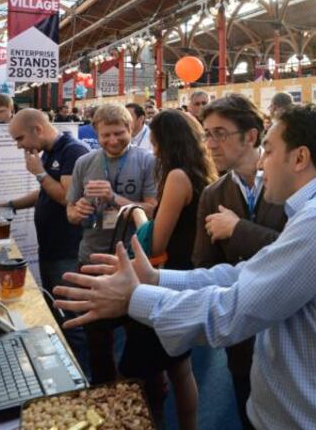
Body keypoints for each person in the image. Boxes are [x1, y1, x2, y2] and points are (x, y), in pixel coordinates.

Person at [55, 104, 316, 429]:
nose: (262, 161)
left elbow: (234, 310)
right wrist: (156, 278)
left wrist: (134, 298)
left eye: (270, 149)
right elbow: (243, 274)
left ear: (300, 158)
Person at [118, 109, 216, 428]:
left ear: (165, 141)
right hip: (186, 275)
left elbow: (158, 242)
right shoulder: (203, 172)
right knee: (179, 366)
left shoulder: (176, 177)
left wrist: (136, 216)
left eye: (155, 142)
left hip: (164, 279)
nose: (153, 149)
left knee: (143, 369)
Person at [192, 95, 286, 428]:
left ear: (251, 136)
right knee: (248, 411)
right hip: (242, 335)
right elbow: (204, 266)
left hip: (291, 331)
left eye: (220, 133)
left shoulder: (291, 183)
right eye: (206, 134)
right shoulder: (212, 194)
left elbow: (301, 254)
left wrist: (238, 230)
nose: (210, 144)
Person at [0, 109, 90, 362]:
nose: (19, 146)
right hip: (50, 249)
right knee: (57, 311)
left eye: (19, 139)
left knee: (72, 321)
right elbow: (45, 193)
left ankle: (83, 378)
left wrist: (39, 172)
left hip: (67, 251)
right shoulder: (49, 152)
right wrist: (5, 205)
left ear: (37, 129)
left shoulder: (72, 151)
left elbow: (67, 198)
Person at [65, 104, 158, 384]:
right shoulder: (84, 163)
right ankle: (106, 393)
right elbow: (69, 211)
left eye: (119, 133)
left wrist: (115, 198)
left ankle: (147, 399)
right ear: (96, 133)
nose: (113, 140)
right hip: (91, 258)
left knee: (140, 338)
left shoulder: (146, 161)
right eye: (106, 135)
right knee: (97, 338)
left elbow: (152, 211)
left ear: (131, 129)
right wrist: (77, 210)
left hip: (131, 260)